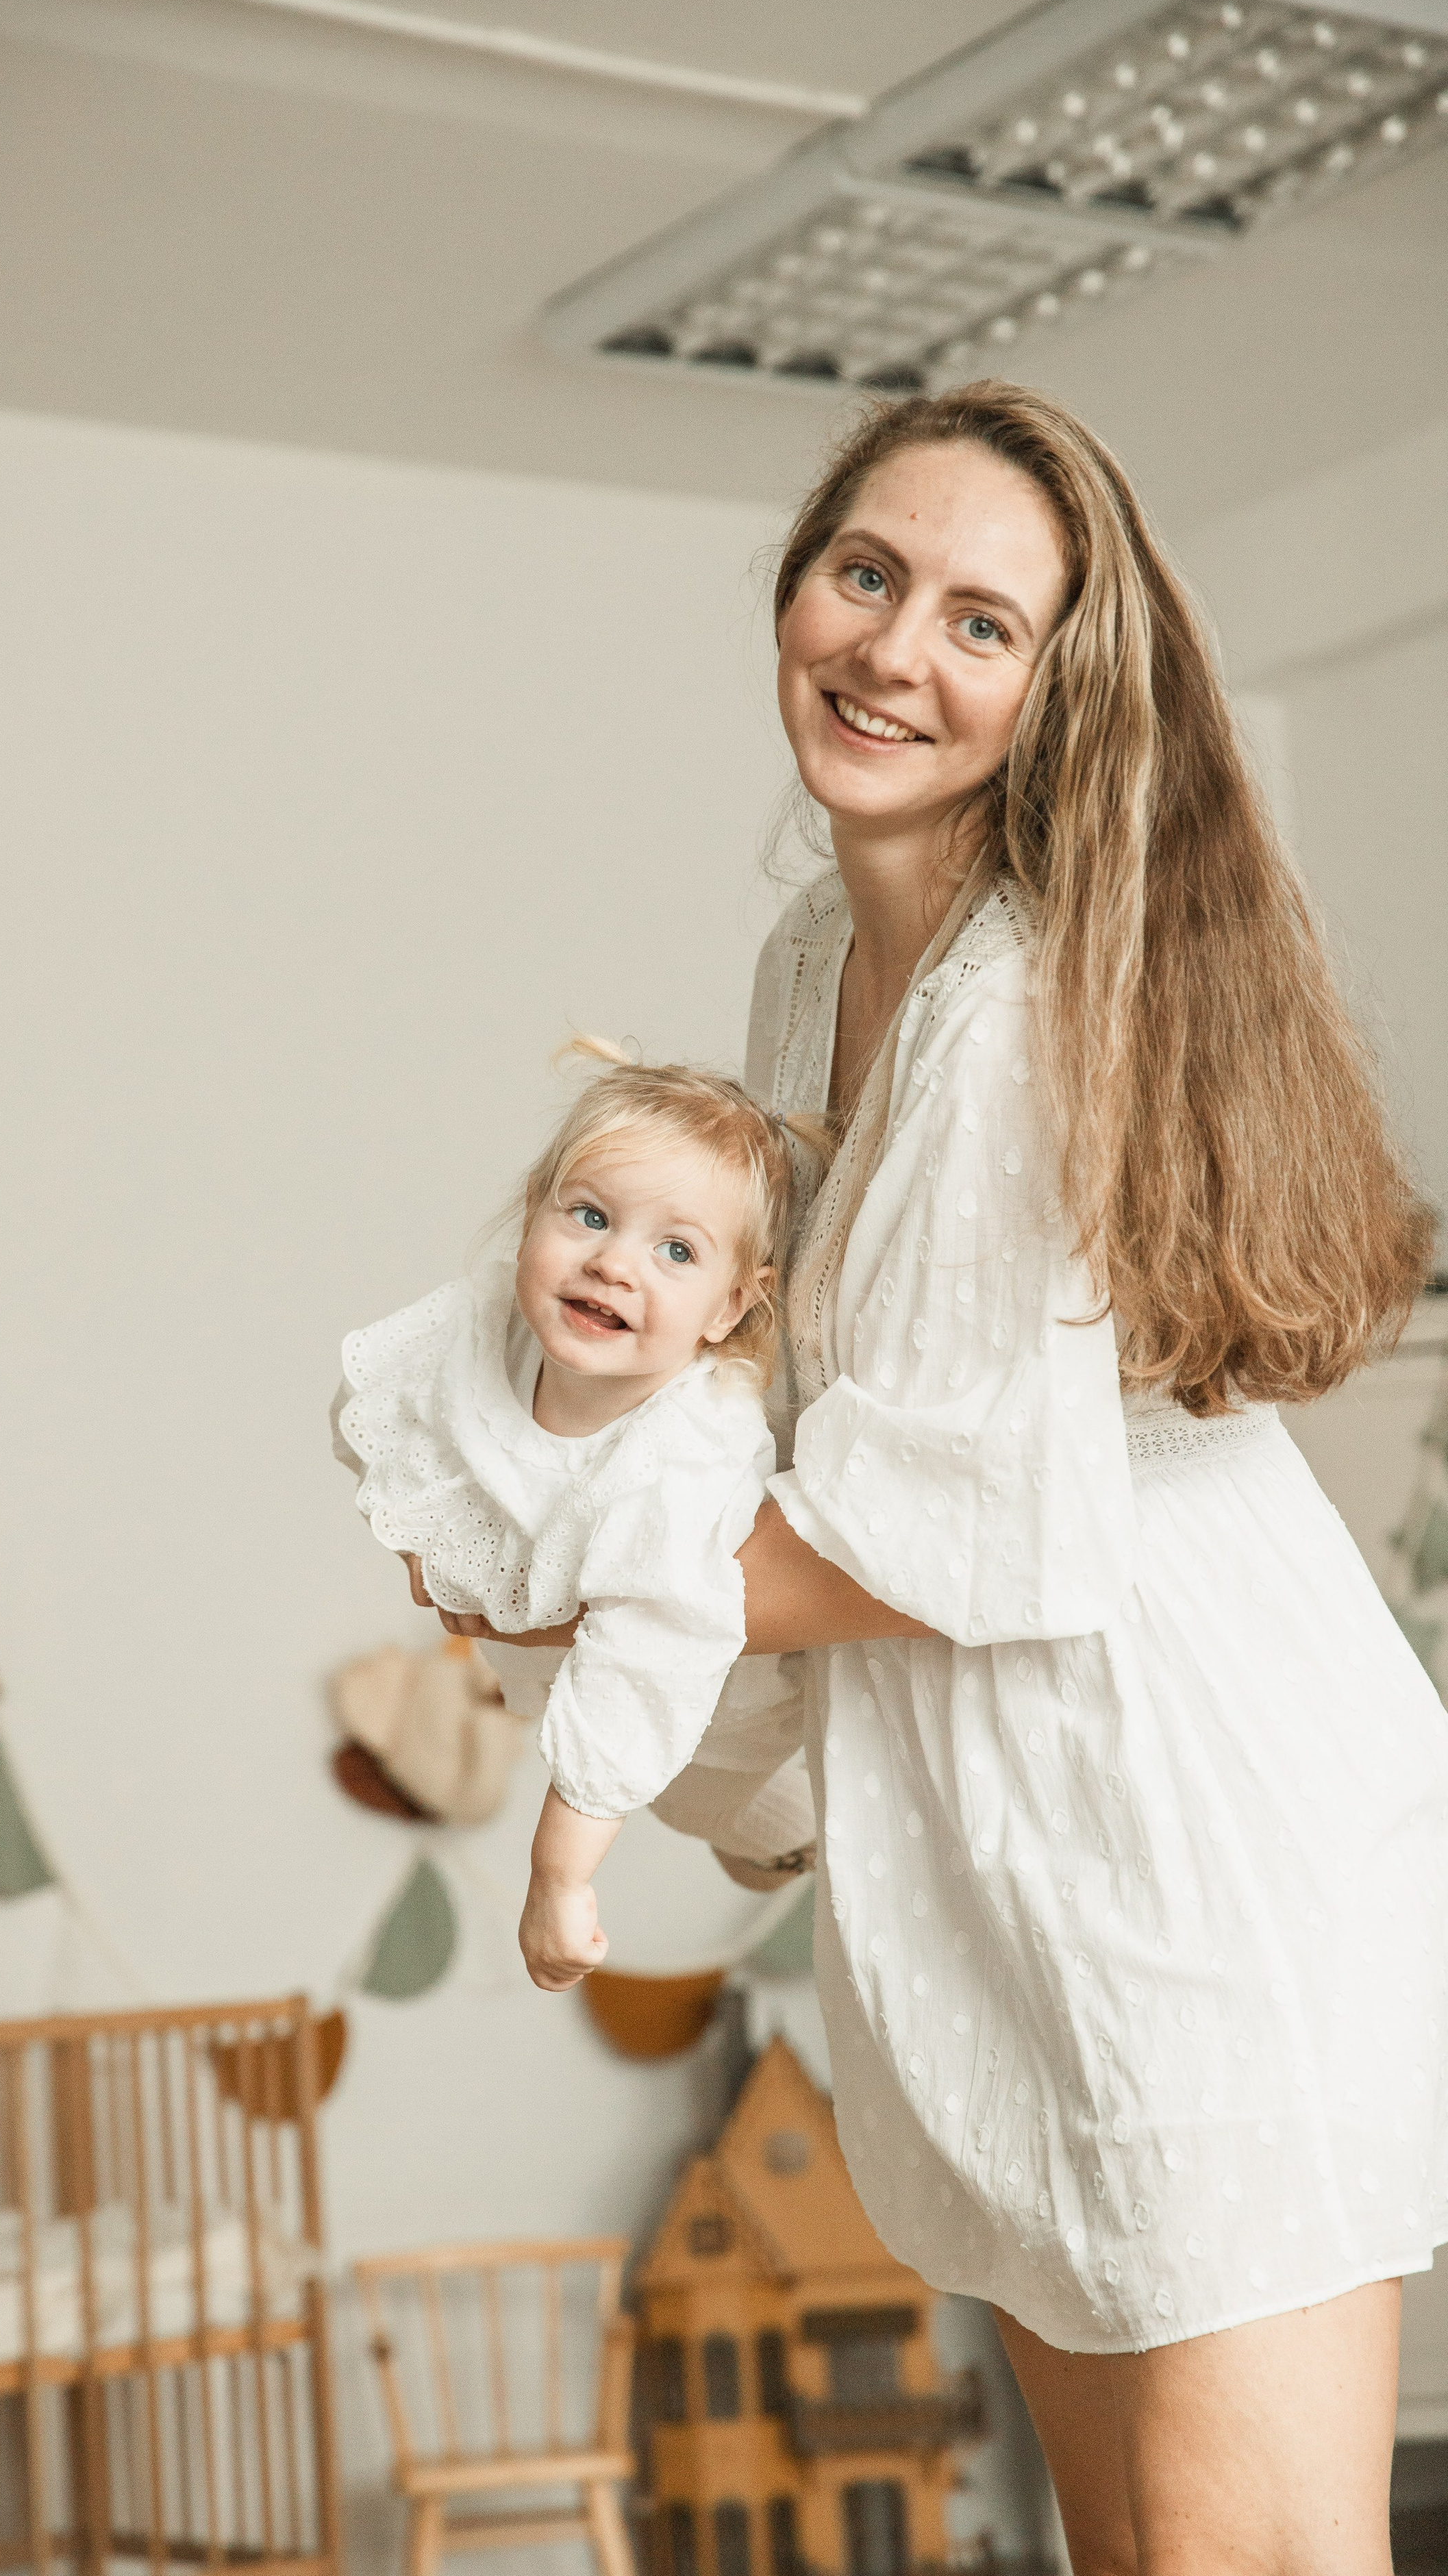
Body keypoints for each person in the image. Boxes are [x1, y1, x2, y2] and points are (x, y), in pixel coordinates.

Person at [419, 382, 1448, 2573]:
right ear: (798, 580)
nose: (894, 651)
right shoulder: (818, 964)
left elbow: (977, 1522)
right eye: (867, 575)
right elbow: (791, 1410)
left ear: (1056, 690)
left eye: (981, 622)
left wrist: (585, 1589)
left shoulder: (1014, 1008)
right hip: (1010, 1826)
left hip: (1187, 1820)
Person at [332, 1040, 823, 1990]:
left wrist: (558, 1879)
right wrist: (423, 1544)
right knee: (696, 1817)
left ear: (730, 1308)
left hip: (737, 1738)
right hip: (604, 1726)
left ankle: (791, 1852)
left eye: (674, 1250)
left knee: (759, 1829)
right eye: (591, 1216)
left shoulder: (687, 1454)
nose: (614, 1264)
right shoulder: (485, 1333)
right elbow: (377, 1412)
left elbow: (642, 1672)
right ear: (531, 1219)